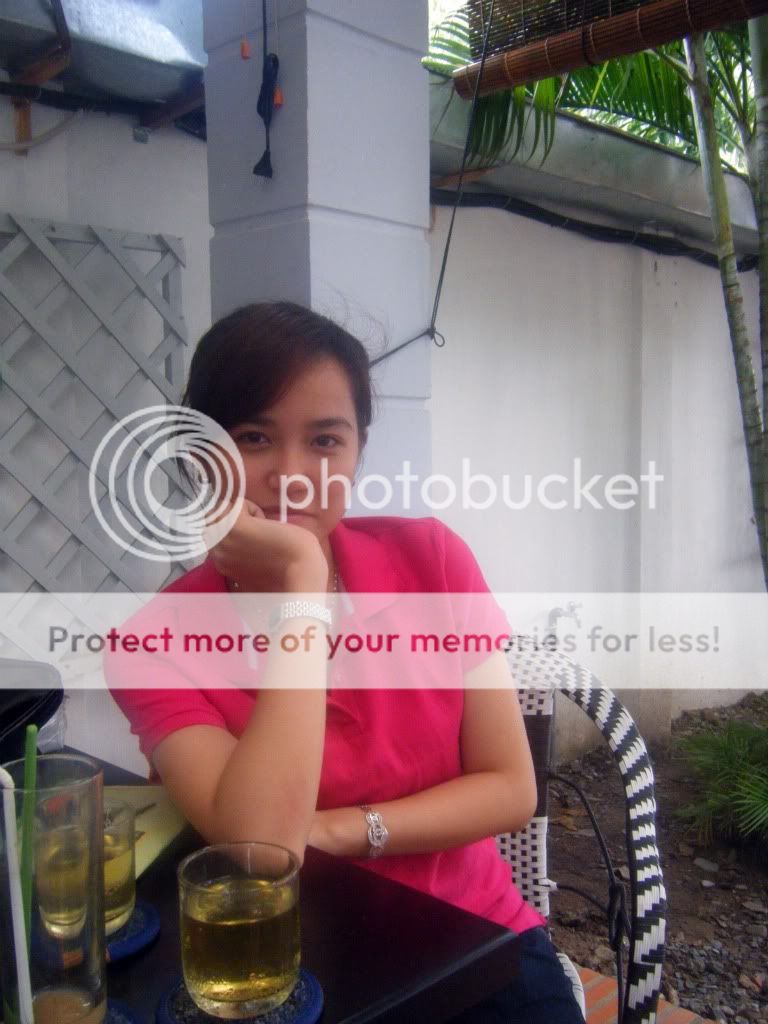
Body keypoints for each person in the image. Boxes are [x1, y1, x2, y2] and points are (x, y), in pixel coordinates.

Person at [105, 302, 583, 1023]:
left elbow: (510, 788)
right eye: (254, 437)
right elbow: (263, 850)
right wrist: (301, 578)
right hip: (288, 963)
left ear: (359, 450)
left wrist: (336, 830)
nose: (293, 476)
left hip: (476, 940)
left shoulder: (432, 561)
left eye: (326, 440)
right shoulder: (154, 643)